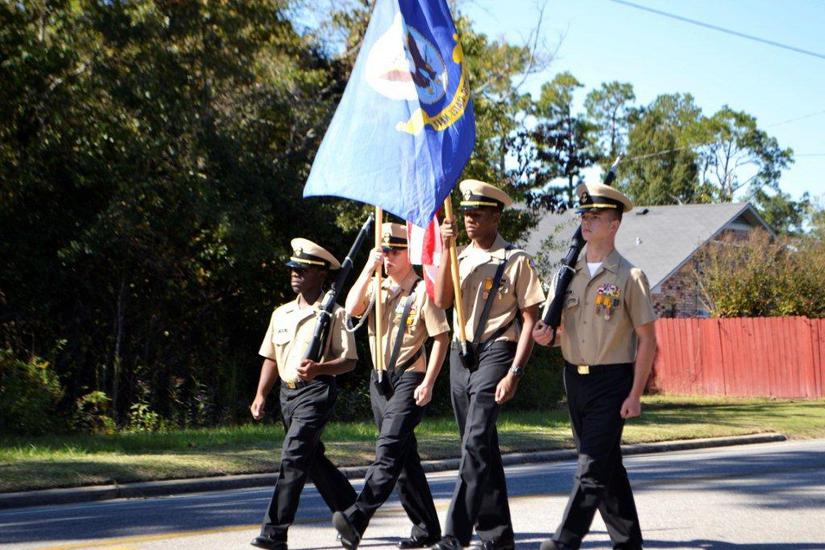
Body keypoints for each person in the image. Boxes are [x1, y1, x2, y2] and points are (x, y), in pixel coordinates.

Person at [532, 182, 658, 550]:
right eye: (584, 215)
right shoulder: (566, 275)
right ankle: (628, 542)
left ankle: (563, 541)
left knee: (590, 467)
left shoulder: (629, 277)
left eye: (595, 216)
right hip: (575, 380)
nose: (586, 221)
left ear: (614, 224)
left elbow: (647, 339)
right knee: (606, 465)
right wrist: (546, 337)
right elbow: (561, 334)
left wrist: (635, 393)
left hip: (612, 382)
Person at [432, 180, 546, 550]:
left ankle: (455, 533)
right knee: (480, 445)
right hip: (460, 354)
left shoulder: (515, 260)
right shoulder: (459, 256)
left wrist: (515, 372)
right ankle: (498, 535)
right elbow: (441, 300)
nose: (469, 219)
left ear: (496, 217)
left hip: (497, 351)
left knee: (475, 442)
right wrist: (446, 250)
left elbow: (531, 319)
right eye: (466, 212)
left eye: (477, 214)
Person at [333, 222, 449, 550]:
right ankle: (427, 528)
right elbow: (351, 309)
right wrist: (367, 270)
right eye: (384, 251)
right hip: (380, 380)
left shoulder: (423, 291)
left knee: (387, 452)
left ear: (409, 253)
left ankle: (357, 518)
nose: (388, 257)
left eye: (394, 251)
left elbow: (441, 338)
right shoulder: (377, 287)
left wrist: (429, 382)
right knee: (403, 457)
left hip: (410, 378)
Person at [250, 238, 359, 550]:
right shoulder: (281, 313)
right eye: (293, 268)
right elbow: (271, 357)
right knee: (310, 459)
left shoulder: (335, 313)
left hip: (316, 393)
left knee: (293, 456)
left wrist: (319, 368)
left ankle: (274, 532)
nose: (295, 274)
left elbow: (349, 361)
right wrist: (261, 394)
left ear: (321, 274)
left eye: (303, 270)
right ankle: (353, 512)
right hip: (287, 395)